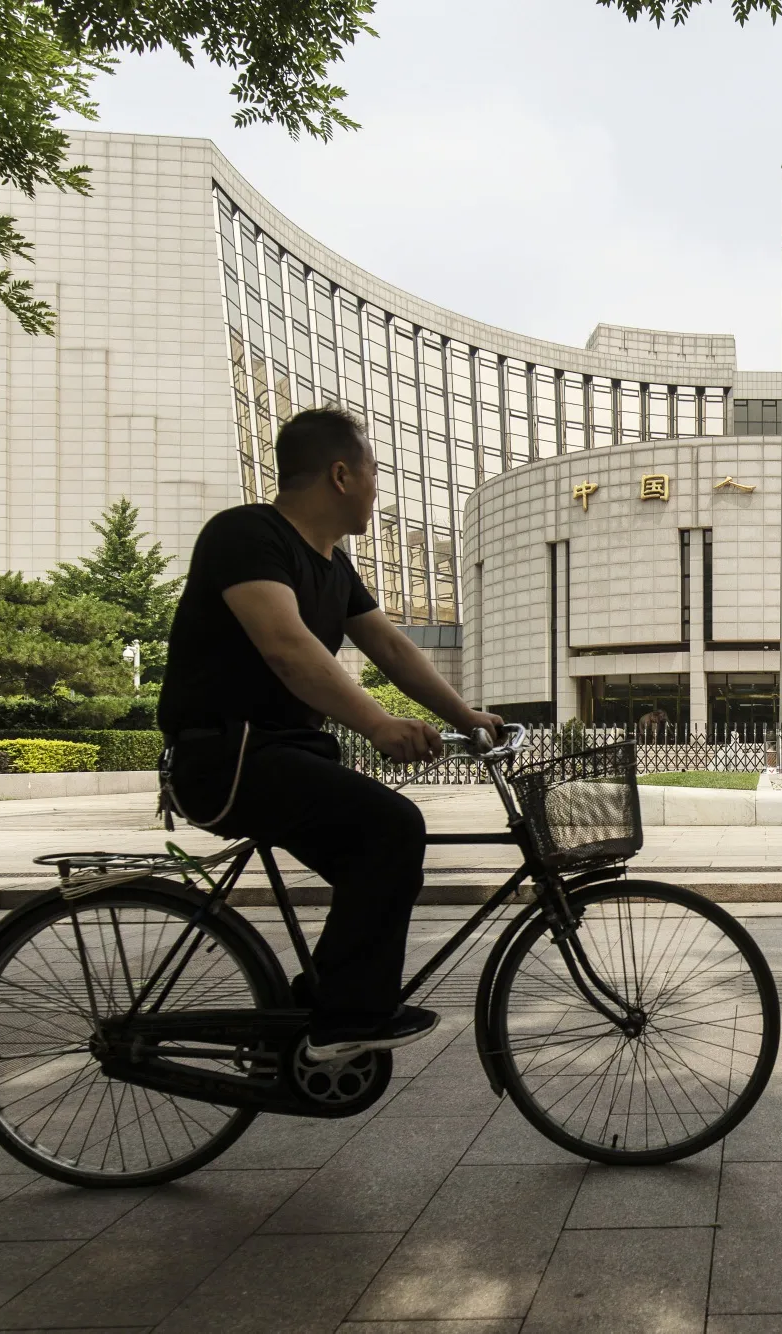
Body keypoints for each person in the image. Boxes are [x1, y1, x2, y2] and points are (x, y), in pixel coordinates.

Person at [157, 407, 504, 1061]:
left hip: (279, 753)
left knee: (376, 858)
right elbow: (286, 646)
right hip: (223, 756)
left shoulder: (335, 567)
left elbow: (391, 649)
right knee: (391, 828)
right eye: (375, 473)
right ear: (342, 474)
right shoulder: (246, 534)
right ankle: (345, 1017)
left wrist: (466, 716)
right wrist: (376, 722)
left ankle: (311, 1010)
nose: (379, 488)